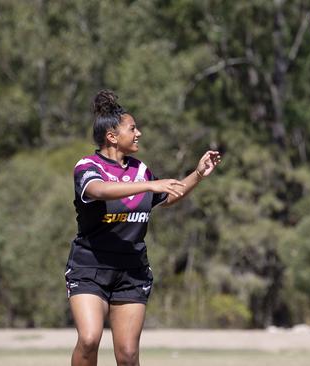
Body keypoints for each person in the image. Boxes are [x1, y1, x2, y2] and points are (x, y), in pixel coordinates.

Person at [65, 89, 221, 366]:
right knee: (89, 339)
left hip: (132, 271)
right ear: (112, 137)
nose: (139, 134)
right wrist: (150, 184)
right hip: (90, 268)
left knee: (127, 355)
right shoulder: (88, 166)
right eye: (133, 128)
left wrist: (197, 174)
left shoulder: (140, 170)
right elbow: (98, 190)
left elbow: (167, 196)